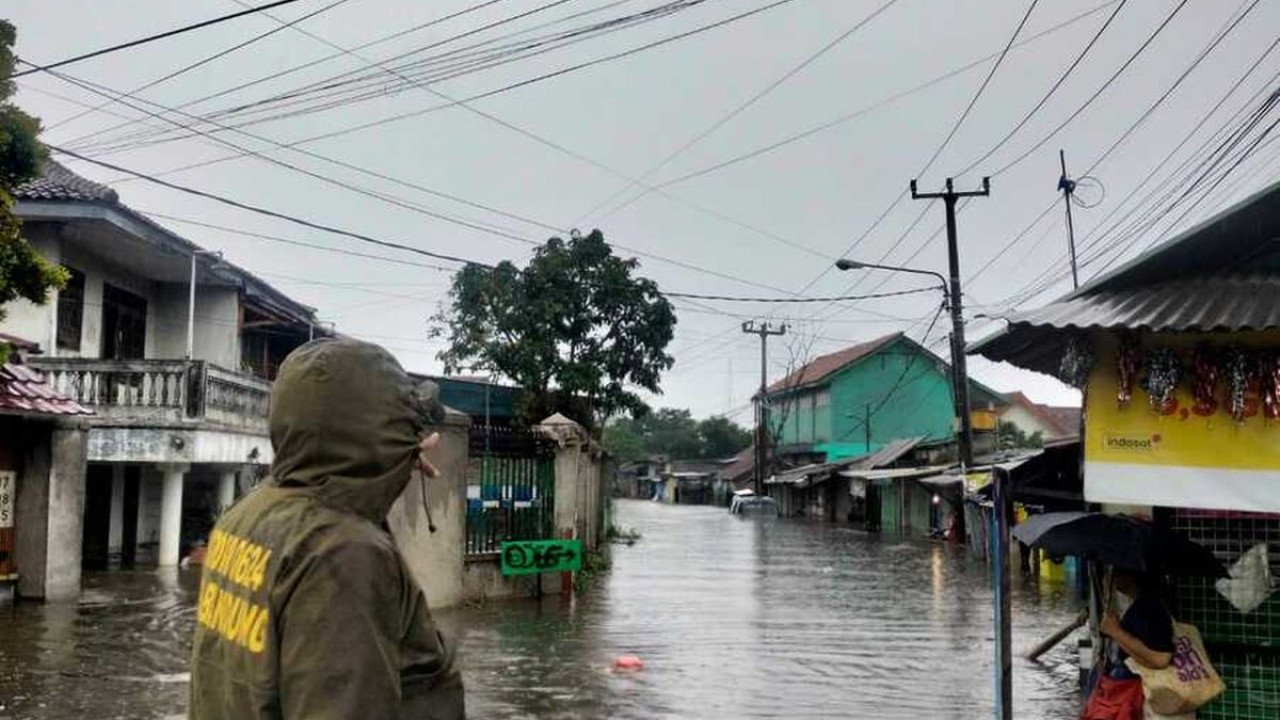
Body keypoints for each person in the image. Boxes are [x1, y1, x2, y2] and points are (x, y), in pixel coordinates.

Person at [189, 338, 465, 720]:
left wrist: (385, 467)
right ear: (379, 434)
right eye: (405, 425)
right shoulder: (345, 553)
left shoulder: (246, 514)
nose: (414, 438)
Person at [1084, 568, 1177, 720]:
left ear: (1132, 576)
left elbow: (1161, 659)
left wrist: (1116, 632)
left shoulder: (1150, 609)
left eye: (1118, 572)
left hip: (1128, 688)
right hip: (1120, 684)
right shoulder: (1140, 605)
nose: (1114, 578)